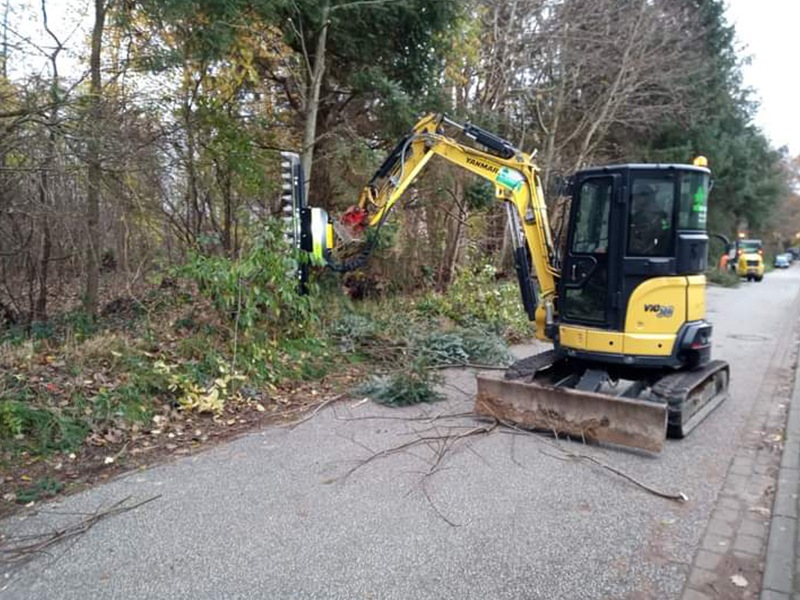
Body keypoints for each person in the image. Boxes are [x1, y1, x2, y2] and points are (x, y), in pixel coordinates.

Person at [628, 186, 671, 256]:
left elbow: (662, 238)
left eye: (637, 196)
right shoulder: (636, 217)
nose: (635, 200)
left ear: (648, 198)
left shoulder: (661, 219)